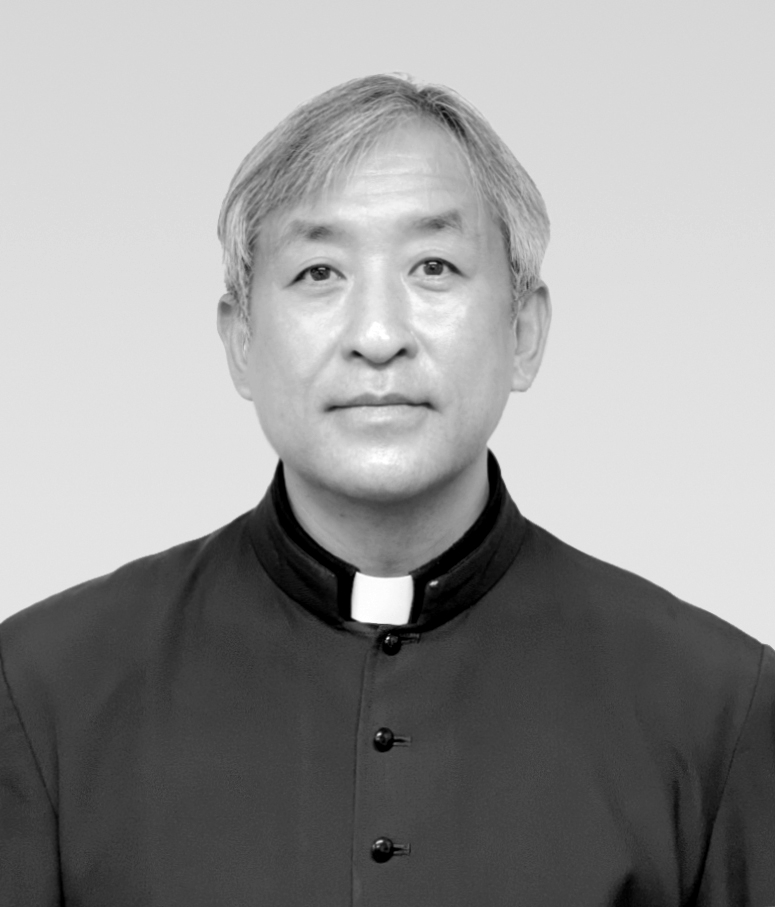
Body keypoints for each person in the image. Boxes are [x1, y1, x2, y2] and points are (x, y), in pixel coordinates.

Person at [1, 73, 773, 907]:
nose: (376, 336)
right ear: (240, 341)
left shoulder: (718, 707)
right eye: (319, 271)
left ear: (523, 331)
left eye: (433, 266)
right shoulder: (42, 690)